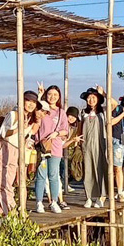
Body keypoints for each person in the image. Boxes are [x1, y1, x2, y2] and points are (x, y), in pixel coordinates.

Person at [0, 91, 40, 217]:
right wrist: (19, 129)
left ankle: (9, 211)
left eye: (34, 102)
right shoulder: (14, 114)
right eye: (28, 101)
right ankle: (0, 213)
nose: (31, 104)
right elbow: (2, 132)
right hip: (3, 147)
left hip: (15, 150)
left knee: (8, 181)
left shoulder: (29, 118)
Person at [33, 84, 70, 213]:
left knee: (54, 175)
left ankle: (54, 201)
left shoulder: (61, 112)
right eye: (49, 94)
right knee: (41, 175)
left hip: (55, 147)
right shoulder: (41, 109)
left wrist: (57, 134)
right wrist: (39, 95)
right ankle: (39, 202)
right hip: (41, 147)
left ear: (59, 97)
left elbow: (66, 130)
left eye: (55, 95)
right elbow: (34, 115)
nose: (52, 97)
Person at [80, 87, 109, 208]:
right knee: (88, 171)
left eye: (93, 97)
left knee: (101, 170)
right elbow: (79, 128)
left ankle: (101, 196)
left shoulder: (103, 112)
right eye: (89, 97)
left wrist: (104, 93)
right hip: (86, 146)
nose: (91, 100)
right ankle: (88, 197)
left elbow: (114, 104)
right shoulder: (83, 113)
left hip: (100, 145)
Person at [60, 106, 82, 193]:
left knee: (69, 169)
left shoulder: (74, 129)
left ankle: (65, 183)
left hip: (69, 152)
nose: (72, 118)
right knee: (61, 168)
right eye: (70, 116)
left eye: (74, 117)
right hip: (60, 151)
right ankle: (62, 184)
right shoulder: (61, 126)